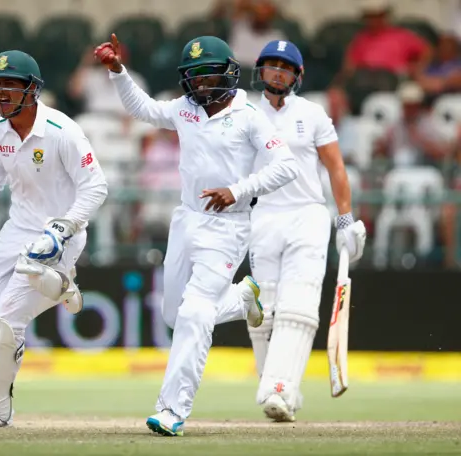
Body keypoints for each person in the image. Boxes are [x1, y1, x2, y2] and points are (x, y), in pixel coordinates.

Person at [94, 34, 299, 436]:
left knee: (194, 313)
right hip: (186, 220)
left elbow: (287, 166)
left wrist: (237, 190)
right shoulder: (186, 108)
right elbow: (146, 110)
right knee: (176, 315)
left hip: (228, 226)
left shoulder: (250, 115)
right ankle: (243, 298)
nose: (200, 85)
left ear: (228, 74)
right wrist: (118, 71)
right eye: (193, 77)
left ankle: (172, 410)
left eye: (208, 76)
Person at [0, 50, 108, 428]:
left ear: (32, 90)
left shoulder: (62, 131)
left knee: (5, 319)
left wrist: (64, 227)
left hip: (60, 234)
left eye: (10, 85)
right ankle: (58, 287)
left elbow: (96, 187)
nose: (1, 92)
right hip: (17, 230)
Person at [247, 40, 367, 422]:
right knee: (263, 312)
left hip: (307, 215)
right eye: (271, 66)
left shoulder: (313, 114)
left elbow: (335, 168)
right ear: (261, 71)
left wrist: (345, 218)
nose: (277, 72)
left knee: (298, 304)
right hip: (263, 215)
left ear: (297, 75)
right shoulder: (245, 113)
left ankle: (279, 388)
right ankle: (280, 388)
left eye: (285, 67)